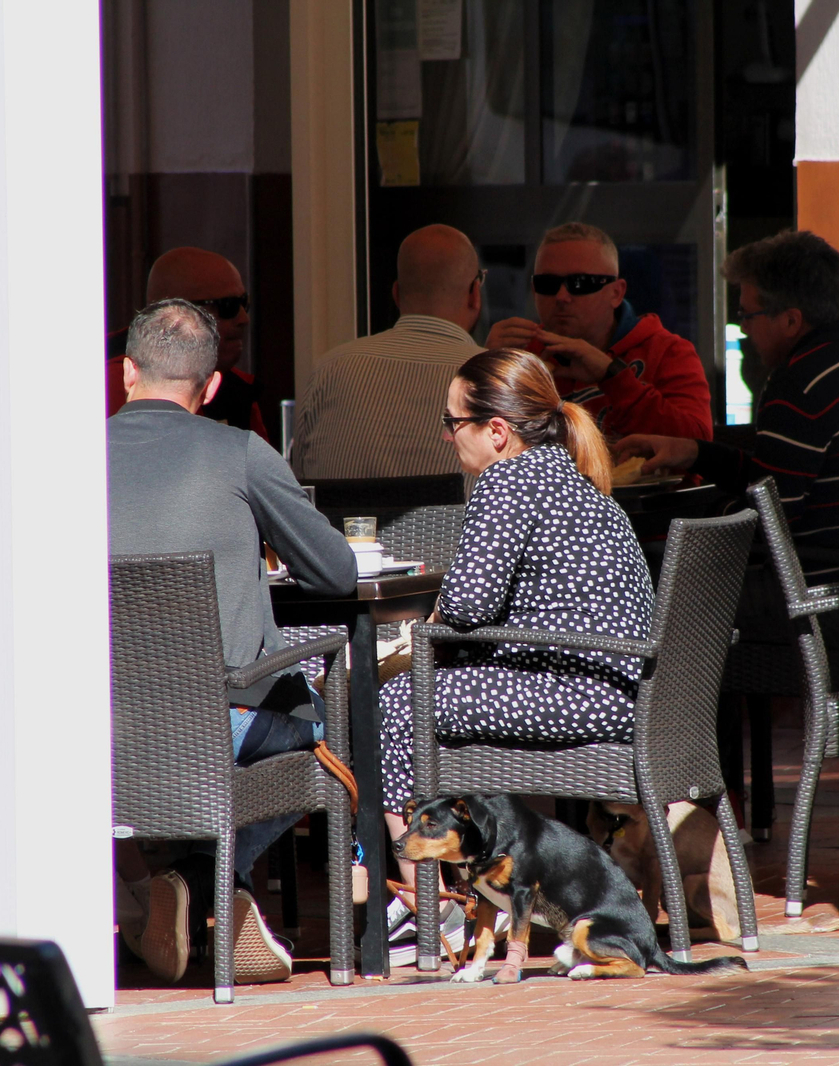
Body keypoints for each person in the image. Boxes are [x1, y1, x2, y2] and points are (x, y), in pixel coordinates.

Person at [375, 348, 656, 964]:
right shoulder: (569, 478)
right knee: (432, 689)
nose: (449, 437)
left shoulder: (507, 481)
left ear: (496, 432)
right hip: (611, 691)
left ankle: (425, 905)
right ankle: (467, 888)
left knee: (395, 700)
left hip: (571, 694)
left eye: (453, 423)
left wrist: (421, 628)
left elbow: (470, 606)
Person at [107, 299, 357, 984]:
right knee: (330, 733)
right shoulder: (241, 453)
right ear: (211, 386)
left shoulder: (64, 462)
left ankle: (183, 887)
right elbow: (334, 571)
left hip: (97, 727)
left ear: (127, 371)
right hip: (224, 724)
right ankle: (206, 879)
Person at [615, 230, 839, 580]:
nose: (743, 329)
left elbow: (765, 524)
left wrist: (697, 511)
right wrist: (694, 453)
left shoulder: (798, 384)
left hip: (815, 603)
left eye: (747, 315)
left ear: (791, 320)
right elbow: (777, 481)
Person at [486, 222, 713, 442]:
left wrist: (612, 376)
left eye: (581, 283)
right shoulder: (521, 354)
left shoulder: (666, 352)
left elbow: (698, 445)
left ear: (616, 293)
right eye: (548, 284)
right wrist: (483, 372)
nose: (562, 297)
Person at [290, 224, 484, 480]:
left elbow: (300, 490)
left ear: (396, 294)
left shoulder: (329, 370)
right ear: (474, 295)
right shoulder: (496, 381)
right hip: (459, 522)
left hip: (339, 522)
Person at [106, 248, 271, 442]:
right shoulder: (112, 381)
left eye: (244, 303)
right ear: (173, 312)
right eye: (228, 306)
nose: (244, 318)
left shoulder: (236, 388)